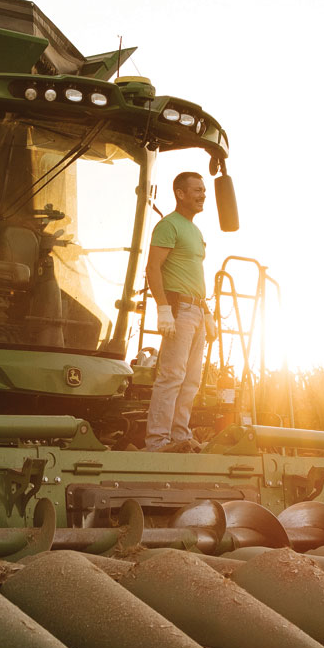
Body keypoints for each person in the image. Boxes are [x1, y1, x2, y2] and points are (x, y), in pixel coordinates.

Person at [144, 172, 209, 451]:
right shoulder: (168, 225)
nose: (203, 194)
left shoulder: (195, 230)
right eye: (196, 189)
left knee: (191, 380)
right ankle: (157, 440)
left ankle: (179, 437)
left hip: (197, 311)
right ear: (180, 193)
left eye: (204, 190)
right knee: (172, 376)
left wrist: (207, 314)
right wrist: (163, 309)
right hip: (179, 310)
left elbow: (195, 275)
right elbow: (152, 267)